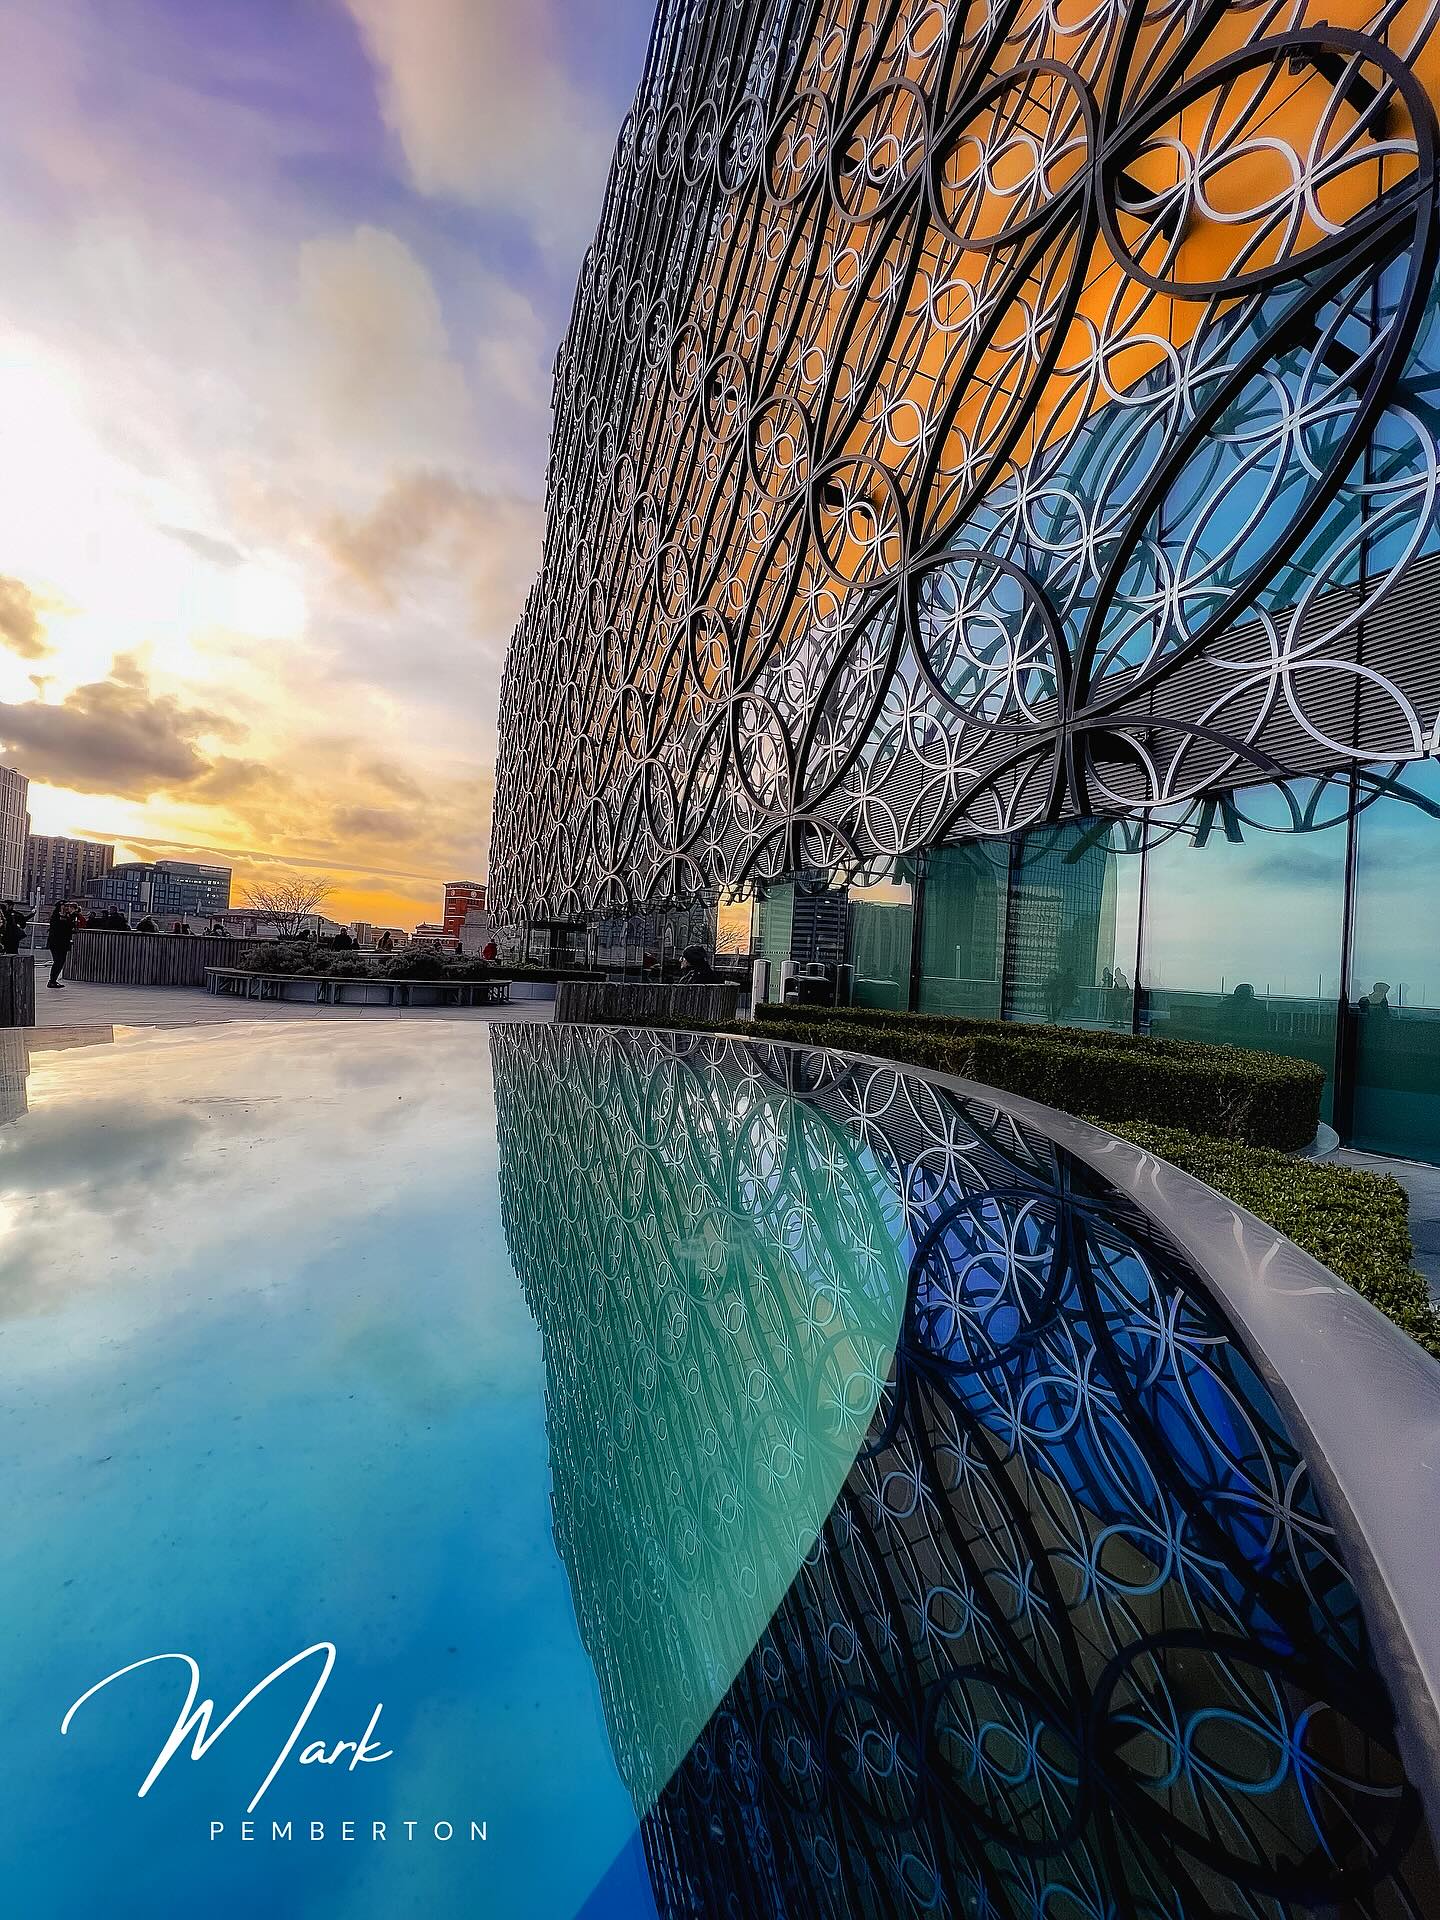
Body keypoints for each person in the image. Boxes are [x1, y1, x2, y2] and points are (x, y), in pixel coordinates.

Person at [46, 901, 76, 989]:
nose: (67, 908)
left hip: (64, 942)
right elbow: (57, 927)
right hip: (56, 942)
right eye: (65, 906)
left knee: (61, 961)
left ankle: (54, 980)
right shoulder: (56, 916)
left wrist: (71, 917)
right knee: (57, 961)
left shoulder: (68, 916)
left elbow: (71, 927)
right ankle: (52, 981)